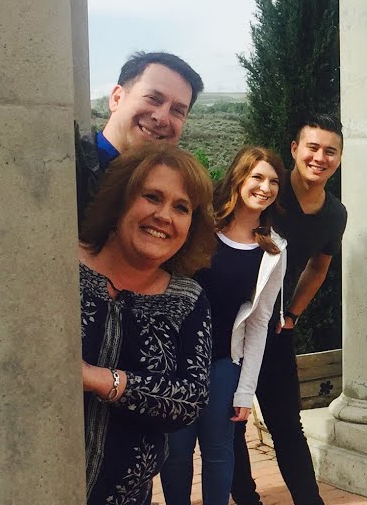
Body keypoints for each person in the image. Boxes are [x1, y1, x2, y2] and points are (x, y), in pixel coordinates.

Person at [79, 143, 216, 505]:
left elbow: (190, 399)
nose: (164, 216)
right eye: (152, 197)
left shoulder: (188, 300)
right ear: (121, 201)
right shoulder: (61, 266)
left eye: (181, 208)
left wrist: (101, 379)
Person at [159, 147, 291, 505]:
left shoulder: (273, 250)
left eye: (274, 181)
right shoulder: (200, 227)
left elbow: (259, 323)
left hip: (222, 363)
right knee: (176, 451)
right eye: (257, 177)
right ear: (238, 178)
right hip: (175, 360)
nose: (265, 187)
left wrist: (245, 391)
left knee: (219, 450)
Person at [230, 114, 346, 505]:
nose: (320, 158)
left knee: (286, 424)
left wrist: (293, 314)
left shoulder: (335, 215)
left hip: (273, 327)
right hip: (226, 323)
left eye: (330, 151)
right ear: (295, 150)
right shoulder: (268, 189)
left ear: (339, 158)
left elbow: (319, 267)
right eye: (312, 147)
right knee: (231, 423)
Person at [76, 51, 205, 222]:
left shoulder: (183, 194)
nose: (162, 118)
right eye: (153, 99)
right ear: (116, 98)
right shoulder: (70, 169)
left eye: (177, 111)